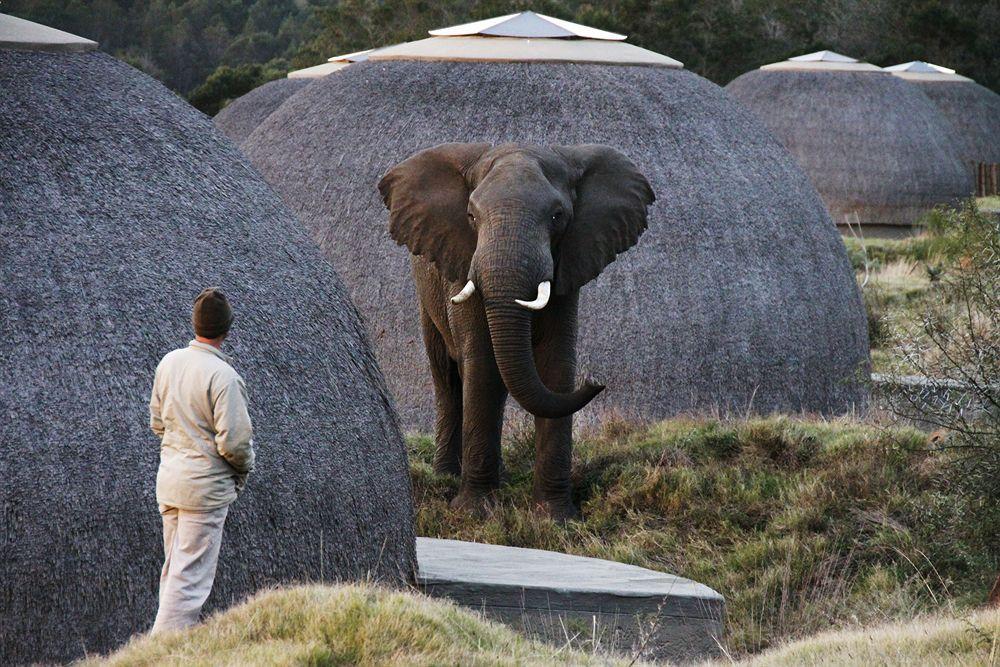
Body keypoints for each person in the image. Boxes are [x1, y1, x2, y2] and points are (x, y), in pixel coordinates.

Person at [148, 287, 255, 633]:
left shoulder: (168, 363)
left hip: (169, 485)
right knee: (189, 585)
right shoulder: (224, 377)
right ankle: (157, 656)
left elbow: (157, 423)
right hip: (204, 493)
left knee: (174, 574)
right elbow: (235, 444)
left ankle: (173, 652)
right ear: (227, 329)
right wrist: (243, 470)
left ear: (195, 323)